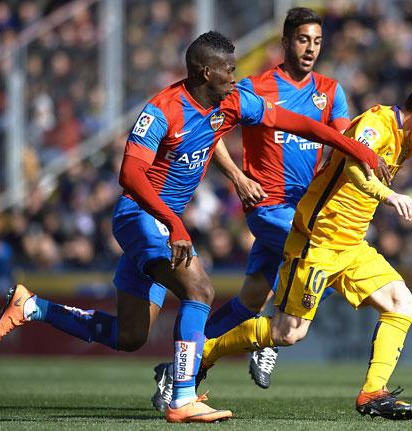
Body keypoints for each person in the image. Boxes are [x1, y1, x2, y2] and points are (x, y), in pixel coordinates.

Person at [0, 31, 386, 423]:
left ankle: (33, 306)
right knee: (200, 290)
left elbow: (300, 124)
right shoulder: (162, 110)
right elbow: (130, 174)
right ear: (204, 71)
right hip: (139, 218)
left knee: (130, 336)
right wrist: (174, 223)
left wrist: (357, 149)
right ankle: (183, 396)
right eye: (228, 70)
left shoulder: (232, 102)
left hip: (164, 224)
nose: (235, 76)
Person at [185, 75, 412, 420]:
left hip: (352, 245)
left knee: (402, 304)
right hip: (318, 242)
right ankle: (202, 356)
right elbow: (353, 166)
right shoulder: (375, 124)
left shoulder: (409, 140)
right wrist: (389, 196)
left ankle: (373, 393)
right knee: (288, 333)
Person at [149, 9, 352, 410]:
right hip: (268, 206)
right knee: (325, 257)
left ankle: (180, 369)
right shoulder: (255, 86)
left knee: (248, 300)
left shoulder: (331, 90)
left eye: (316, 40)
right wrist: (238, 178)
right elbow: (212, 130)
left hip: (305, 209)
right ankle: (270, 335)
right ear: (285, 41)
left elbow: (340, 140)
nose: (310, 48)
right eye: (302, 40)